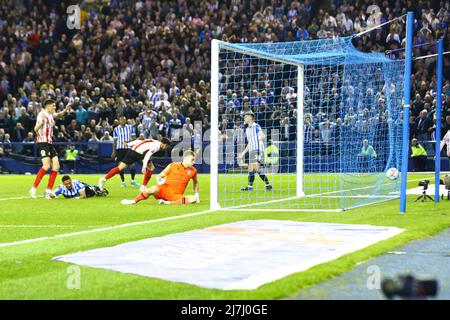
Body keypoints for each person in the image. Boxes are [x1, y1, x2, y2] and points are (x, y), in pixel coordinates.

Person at [121, 150, 199, 205]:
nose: (194, 162)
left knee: (193, 199)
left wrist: (196, 195)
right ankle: (134, 201)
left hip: (176, 195)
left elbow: (195, 182)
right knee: (151, 189)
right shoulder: (173, 165)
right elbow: (159, 176)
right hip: (164, 189)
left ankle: (167, 203)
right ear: (186, 158)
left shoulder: (193, 171)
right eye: (192, 160)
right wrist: (160, 180)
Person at [29, 99, 72, 199]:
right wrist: (41, 124)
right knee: (46, 165)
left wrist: (66, 109)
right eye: (53, 106)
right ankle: (33, 189)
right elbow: (35, 129)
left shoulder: (51, 115)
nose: (55, 107)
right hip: (43, 142)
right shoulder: (42, 114)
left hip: (49, 143)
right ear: (48, 106)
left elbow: (59, 115)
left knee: (56, 166)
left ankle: (48, 191)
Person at [99, 137, 171, 192]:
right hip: (139, 154)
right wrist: (144, 167)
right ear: (164, 144)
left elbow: (139, 141)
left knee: (120, 167)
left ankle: (104, 179)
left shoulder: (153, 141)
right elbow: (147, 156)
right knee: (151, 168)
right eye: (166, 147)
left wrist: (128, 144)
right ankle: (143, 187)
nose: (166, 148)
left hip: (132, 151)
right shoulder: (156, 146)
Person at [238, 112, 272, 191]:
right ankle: (267, 185)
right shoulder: (247, 129)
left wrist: (262, 136)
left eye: (246, 117)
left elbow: (261, 134)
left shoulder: (256, 126)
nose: (244, 119)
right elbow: (250, 143)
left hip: (257, 149)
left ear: (250, 118)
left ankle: (252, 186)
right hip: (252, 149)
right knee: (253, 168)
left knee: (253, 167)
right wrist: (243, 153)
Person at [112, 116, 138, 187]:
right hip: (120, 149)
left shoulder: (130, 127)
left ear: (126, 120)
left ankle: (132, 180)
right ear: (119, 121)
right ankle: (123, 182)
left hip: (128, 149)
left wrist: (129, 142)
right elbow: (115, 141)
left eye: (124, 120)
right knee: (120, 166)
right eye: (121, 120)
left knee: (132, 165)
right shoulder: (116, 129)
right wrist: (113, 151)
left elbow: (134, 138)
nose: (123, 121)